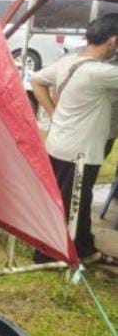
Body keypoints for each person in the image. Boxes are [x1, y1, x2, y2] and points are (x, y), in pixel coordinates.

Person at [30, 14, 118, 266]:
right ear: (112, 41)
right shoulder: (99, 72)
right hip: (79, 152)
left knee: (70, 200)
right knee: (72, 203)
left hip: (60, 144)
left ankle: (83, 248)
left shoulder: (69, 61)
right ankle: (48, 254)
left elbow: (36, 80)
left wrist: (52, 112)